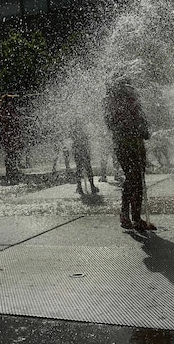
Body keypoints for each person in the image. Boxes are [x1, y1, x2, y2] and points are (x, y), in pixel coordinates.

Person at [104, 77, 155, 231]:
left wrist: (143, 130)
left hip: (136, 144)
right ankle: (126, 214)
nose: (129, 92)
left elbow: (143, 122)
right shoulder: (112, 105)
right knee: (133, 177)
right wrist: (130, 127)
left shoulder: (133, 101)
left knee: (138, 179)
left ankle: (136, 217)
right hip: (124, 145)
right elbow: (111, 124)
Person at [0, 95, 23, 185]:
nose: (12, 103)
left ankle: (13, 171)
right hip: (9, 136)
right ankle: (10, 172)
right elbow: (5, 120)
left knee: (13, 154)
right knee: (10, 154)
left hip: (12, 135)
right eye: (11, 101)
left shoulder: (8, 110)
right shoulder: (5, 111)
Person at [70, 118, 99, 195]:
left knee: (79, 168)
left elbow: (74, 141)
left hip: (78, 151)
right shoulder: (82, 131)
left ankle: (79, 187)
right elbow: (86, 141)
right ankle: (92, 186)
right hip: (83, 151)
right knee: (88, 168)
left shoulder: (74, 131)